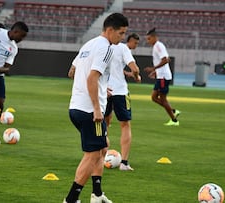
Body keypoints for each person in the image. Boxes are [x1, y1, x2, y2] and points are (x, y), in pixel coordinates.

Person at [64, 13, 128, 203]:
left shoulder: (88, 45)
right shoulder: (106, 47)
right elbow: (92, 77)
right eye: (121, 33)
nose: (122, 37)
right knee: (92, 154)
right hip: (90, 111)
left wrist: (101, 89)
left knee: (102, 147)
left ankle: (97, 194)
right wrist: (97, 108)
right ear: (110, 30)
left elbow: (72, 72)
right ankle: (71, 199)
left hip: (76, 107)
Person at [104, 33, 141, 171]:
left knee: (104, 123)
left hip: (104, 90)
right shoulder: (123, 48)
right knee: (125, 125)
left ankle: (101, 157)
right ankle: (124, 163)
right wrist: (136, 76)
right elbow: (135, 68)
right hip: (120, 91)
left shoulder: (102, 46)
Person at [144, 27, 180, 126]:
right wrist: (156, 72)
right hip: (161, 76)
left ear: (154, 37)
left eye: (149, 39)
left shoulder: (158, 46)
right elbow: (167, 59)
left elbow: (165, 60)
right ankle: (173, 111)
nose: (148, 41)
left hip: (163, 77)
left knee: (162, 99)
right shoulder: (157, 46)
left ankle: (174, 120)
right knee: (154, 97)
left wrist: (153, 68)